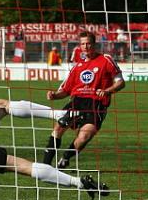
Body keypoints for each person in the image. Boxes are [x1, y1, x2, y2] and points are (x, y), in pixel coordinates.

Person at [42, 31, 126, 168]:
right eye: (82, 44)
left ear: (94, 44)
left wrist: (106, 91)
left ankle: (65, 157)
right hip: (77, 102)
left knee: (84, 137)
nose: (85, 46)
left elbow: (121, 83)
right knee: (58, 128)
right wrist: (54, 95)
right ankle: (45, 165)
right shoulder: (77, 66)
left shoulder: (106, 59)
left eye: (88, 43)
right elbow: (65, 90)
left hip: (96, 105)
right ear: (79, 46)